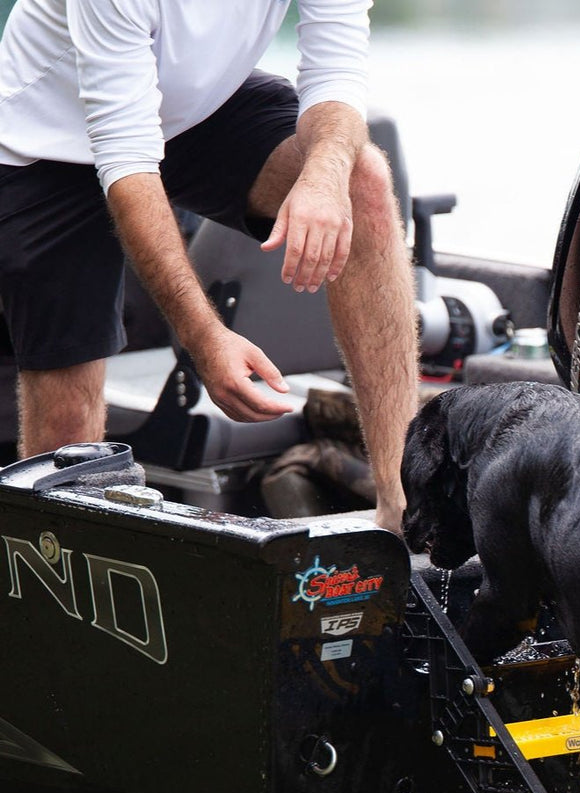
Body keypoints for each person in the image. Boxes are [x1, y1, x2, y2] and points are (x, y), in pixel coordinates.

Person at [0, 0, 417, 533]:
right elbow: (128, 161)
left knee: (363, 183)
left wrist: (325, 175)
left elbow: (336, 76)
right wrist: (205, 339)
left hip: (196, 109)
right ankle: (59, 586)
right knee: (68, 435)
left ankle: (403, 507)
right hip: (51, 132)